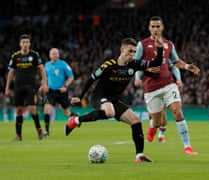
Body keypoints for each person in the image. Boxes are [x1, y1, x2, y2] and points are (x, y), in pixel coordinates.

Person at [65, 37, 164, 162]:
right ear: (122, 49)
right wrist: (80, 97)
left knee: (136, 121)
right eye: (130, 51)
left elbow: (156, 63)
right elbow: (92, 78)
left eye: (134, 52)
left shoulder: (135, 64)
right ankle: (76, 120)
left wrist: (160, 49)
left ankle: (140, 155)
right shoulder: (109, 65)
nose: (132, 55)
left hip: (114, 100)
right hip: (98, 97)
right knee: (109, 112)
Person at [133, 16, 200, 155]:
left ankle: (187, 146)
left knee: (177, 111)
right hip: (151, 88)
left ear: (162, 27)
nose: (155, 29)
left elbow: (175, 62)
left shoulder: (169, 44)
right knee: (158, 121)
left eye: (158, 26)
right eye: (153, 26)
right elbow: (134, 63)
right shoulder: (143, 44)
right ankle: (153, 126)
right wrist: (140, 75)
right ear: (149, 28)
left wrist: (187, 66)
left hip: (168, 84)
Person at [5, 34, 48, 141]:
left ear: (29, 44)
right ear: (20, 44)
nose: (25, 44)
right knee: (19, 110)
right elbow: (11, 72)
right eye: (23, 42)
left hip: (31, 86)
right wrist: (7, 87)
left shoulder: (34, 55)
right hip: (18, 86)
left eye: (27, 42)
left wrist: (44, 83)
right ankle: (18, 135)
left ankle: (39, 131)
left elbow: (42, 69)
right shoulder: (15, 56)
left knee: (32, 109)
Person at [135, 61, 183, 143]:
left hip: (165, 87)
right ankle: (153, 126)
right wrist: (138, 77)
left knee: (162, 112)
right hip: (151, 89)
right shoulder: (147, 57)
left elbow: (174, 66)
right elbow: (140, 67)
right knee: (152, 114)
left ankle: (161, 135)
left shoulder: (166, 57)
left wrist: (178, 79)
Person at [43, 48, 75, 137]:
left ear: (58, 55)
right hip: (51, 92)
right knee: (47, 109)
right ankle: (46, 132)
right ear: (49, 55)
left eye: (56, 53)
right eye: (53, 54)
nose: (55, 55)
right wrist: (44, 85)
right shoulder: (47, 65)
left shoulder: (63, 64)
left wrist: (65, 86)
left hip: (61, 92)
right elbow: (44, 77)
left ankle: (76, 118)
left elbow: (71, 77)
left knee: (67, 113)